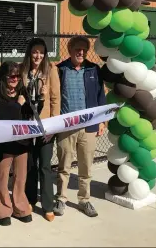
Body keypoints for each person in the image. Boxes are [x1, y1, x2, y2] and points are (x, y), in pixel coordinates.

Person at [53, 35, 106, 218]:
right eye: (77, 49)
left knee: (86, 167)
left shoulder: (93, 69)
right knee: (64, 166)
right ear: (70, 50)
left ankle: (84, 200)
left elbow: (100, 96)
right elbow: (54, 98)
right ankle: (61, 198)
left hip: (88, 127)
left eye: (84, 49)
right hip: (66, 127)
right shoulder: (60, 70)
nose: (81, 52)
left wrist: (101, 121)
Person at [0, 61, 36, 226]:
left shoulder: (22, 93)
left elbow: (30, 112)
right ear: (4, 77)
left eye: (17, 76)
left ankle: (20, 207)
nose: (15, 79)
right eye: (11, 76)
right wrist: (18, 104)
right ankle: (2, 210)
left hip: (22, 142)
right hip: (4, 144)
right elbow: (4, 115)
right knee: (1, 177)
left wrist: (40, 99)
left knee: (20, 177)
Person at [21, 38, 61, 222]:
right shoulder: (22, 70)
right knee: (30, 165)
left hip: (45, 126)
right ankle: (30, 198)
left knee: (45, 165)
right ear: (29, 52)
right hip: (27, 126)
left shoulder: (51, 70)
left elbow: (55, 99)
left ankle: (47, 205)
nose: (38, 56)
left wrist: (53, 125)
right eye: (35, 52)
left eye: (41, 52)